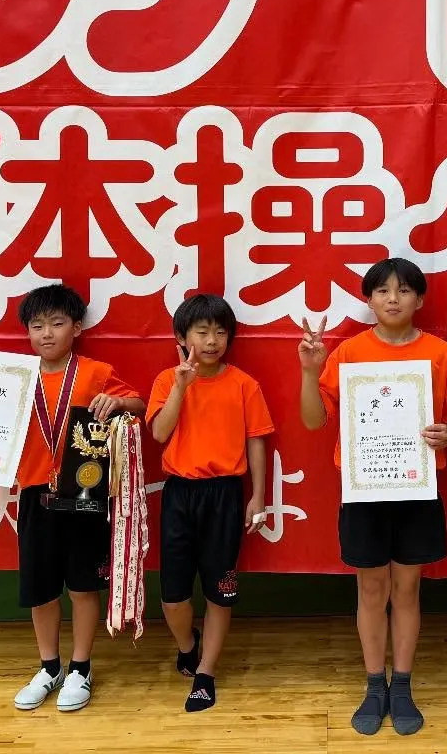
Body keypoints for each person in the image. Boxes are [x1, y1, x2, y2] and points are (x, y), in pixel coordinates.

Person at [0, 283, 145, 712]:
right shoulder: (13, 378)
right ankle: (50, 667)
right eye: (37, 325)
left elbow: (139, 404)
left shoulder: (96, 372)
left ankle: (81, 667)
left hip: (83, 495)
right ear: (27, 331)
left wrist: (117, 402)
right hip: (34, 493)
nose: (47, 333)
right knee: (40, 590)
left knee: (83, 587)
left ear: (77, 327)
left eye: (57, 323)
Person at [298, 257, 447, 736]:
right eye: (382, 291)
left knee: (408, 588)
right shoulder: (348, 353)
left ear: (420, 298)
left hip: (416, 486)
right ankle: (375, 684)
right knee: (371, 589)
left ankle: (403, 685)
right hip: (365, 488)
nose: (393, 298)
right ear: (369, 300)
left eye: (403, 290)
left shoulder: (440, 354)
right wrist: (311, 372)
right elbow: (314, 421)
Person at [147, 293, 273, 712]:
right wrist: (181, 387)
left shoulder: (244, 384)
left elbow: (257, 441)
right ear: (182, 337)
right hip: (180, 493)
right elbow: (159, 434)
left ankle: (206, 672)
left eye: (221, 332)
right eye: (202, 332)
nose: (212, 341)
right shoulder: (167, 381)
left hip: (225, 495)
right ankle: (188, 646)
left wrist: (257, 496)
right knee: (173, 597)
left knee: (221, 592)